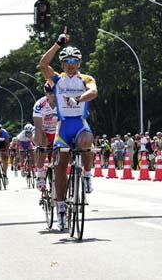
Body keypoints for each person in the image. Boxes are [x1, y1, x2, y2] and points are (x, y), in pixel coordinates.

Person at [39, 29, 98, 231]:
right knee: (60, 166)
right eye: (67, 62)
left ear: (79, 63)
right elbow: (43, 65)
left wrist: (79, 98)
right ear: (63, 64)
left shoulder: (86, 79)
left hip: (79, 123)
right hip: (63, 128)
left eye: (74, 61)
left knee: (87, 141)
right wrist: (58, 44)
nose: (71, 65)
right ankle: (62, 207)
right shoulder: (57, 80)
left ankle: (88, 175)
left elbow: (94, 92)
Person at [33, 82, 58, 191]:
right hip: (43, 131)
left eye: (55, 92)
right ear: (46, 93)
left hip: (58, 132)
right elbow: (38, 128)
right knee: (42, 148)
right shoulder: (40, 105)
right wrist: (41, 145)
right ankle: (40, 175)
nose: (53, 95)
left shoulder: (63, 102)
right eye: (50, 93)